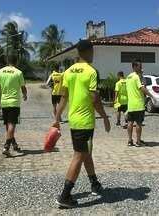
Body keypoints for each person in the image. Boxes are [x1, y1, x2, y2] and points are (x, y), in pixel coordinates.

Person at [52, 40, 111, 208]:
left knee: (85, 152)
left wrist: (57, 118)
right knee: (79, 155)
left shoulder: (69, 71)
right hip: (85, 122)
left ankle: (94, 183)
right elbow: (94, 99)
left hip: (74, 120)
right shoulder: (92, 71)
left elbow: (63, 97)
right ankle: (65, 195)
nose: (93, 54)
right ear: (89, 51)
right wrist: (105, 117)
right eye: (93, 51)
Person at [0, 55, 27, 156]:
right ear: (16, 61)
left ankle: (14, 144)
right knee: (12, 124)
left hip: (4, 102)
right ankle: (6, 147)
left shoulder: (0, 72)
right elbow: (23, 87)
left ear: (8, 61)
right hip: (14, 102)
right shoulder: (18, 72)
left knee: (8, 124)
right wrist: (25, 95)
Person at [126, 59, 155, 147]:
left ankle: (130, 140)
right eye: (140, 66)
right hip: (138, 104)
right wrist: (151, 95)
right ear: (134, 67)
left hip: (130, 104)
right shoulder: (136, 77)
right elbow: (142, 88)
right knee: (138, 123)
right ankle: (138, 141)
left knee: (130, 122)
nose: (141, 67)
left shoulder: (128, 77)